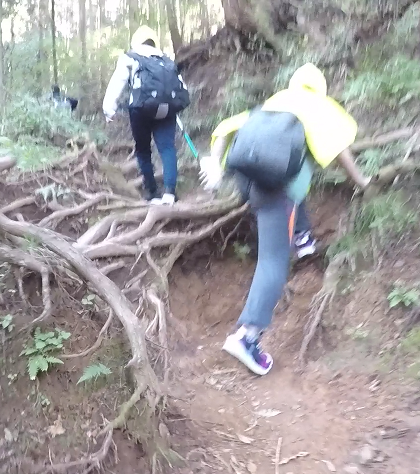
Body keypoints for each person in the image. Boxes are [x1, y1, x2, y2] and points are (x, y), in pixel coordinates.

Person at [199, 63, 372, 376]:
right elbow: (343, 154)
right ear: (320, 87)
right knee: (274, 261)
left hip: (248, 183)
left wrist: (214, 163)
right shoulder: (320, 107)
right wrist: (362, 182)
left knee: (290, 199)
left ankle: (303, 239)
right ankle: (247, 338)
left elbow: (225, 128)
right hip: (277, 192)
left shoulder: (275, 102)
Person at [102, 25, 190, 205]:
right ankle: (170, 193)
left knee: (143, 150)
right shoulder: (166, 59)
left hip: (140, 109)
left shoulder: (130, 57)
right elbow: (182, 88)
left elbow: (117, 83)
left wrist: (108, 109)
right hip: (167, 108)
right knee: (167, 148)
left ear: (136, 41)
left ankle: (152, 192)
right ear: (154, 41)